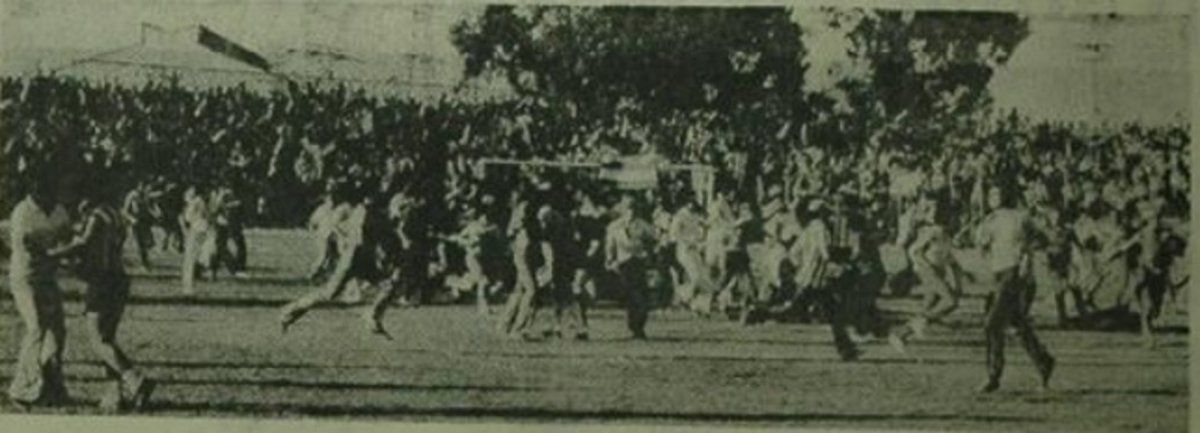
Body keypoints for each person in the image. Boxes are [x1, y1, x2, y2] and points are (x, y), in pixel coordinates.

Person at [47, 185, 155, 413]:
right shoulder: (115, 214)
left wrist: (52, 255)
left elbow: (83, 244)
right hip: (119, 280)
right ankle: (114, 395)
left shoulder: (96, 216)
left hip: (102, 283)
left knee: (98, 340)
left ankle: (134, 379)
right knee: (108, 339)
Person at [973, 183, 1055, 393]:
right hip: (998, 274)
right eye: (990, 193)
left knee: (992, 325)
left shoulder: (1021, 217)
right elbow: (982, 247)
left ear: (1006, 195)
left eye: (996, 192)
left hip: (1014, 274)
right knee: (1017, 324)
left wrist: (1026, 252)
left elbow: (1043, 240)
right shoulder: (989, 220)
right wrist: (981, 241)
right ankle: (1044, 360)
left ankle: (993, 375)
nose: (992, 196)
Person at [7, 176, 73, 409]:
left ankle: (51, 386)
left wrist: (71, 248)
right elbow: (29, 247)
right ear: (35, 193)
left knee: (57, 330)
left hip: (48, 277)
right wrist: (60, 254)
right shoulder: (22, 212)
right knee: (36, 328)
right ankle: (20, 389)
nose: (52, 199)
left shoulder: (58, 209)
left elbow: (67, 235)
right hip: (26, 277)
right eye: (46, 194)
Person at [890, 191, 963, 350]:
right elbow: (915, 251)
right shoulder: (933, 231)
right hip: (928, 270)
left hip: (937, 270)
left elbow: (947, 256)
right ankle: (906, 330)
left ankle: (901, 334)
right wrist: (926, 268)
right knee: (950, 301)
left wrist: (960, 274)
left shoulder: (944, 233)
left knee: (929, 307)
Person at [605, 193, 657, 340]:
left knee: (641, 297)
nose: (631, 211)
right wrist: (610, 260)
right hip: (623, 264)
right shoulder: (614, 226)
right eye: (628, 207)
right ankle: (634, 327)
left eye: (633, 207)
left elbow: (653, 241)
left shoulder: (643, 225)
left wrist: (650, 255)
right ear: (622, 209)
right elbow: (610, 245)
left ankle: (638, 327)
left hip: (639, 262)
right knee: (631, 296)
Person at [180, 185, 213, 295]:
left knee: (190, 260)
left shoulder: (196, 202)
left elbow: (188, 218)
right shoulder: (198, 201)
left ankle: (189, 287)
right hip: (200, 229)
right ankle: (189, 286)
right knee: (191, 260)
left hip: (197, 230)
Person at [121, 181, 157, 270]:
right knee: (139, 243)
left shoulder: (145, 195)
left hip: (144, 221)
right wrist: (131, 219)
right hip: (135, 221)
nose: (144, 188)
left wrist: (154, 213)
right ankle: (142, 263)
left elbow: (148, 207)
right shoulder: (132, 195)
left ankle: (145, 262)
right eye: (142, 186)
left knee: (146, 243)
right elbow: (124, 211)